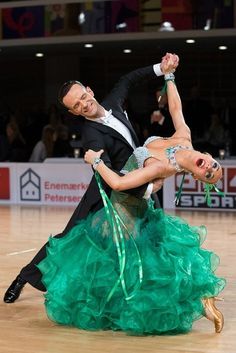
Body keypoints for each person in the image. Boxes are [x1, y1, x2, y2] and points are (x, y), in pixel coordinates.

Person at [37, 62, 225, 335]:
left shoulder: (162, 167)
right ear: (208, 156)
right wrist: (169, 75)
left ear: (197, 176)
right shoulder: (183, 137)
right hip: (135, 206)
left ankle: (188, 302)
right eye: (213, 166)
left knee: (133, 267)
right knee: (137, 263)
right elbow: (175, 108)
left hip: (126, 211)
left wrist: (96, 162)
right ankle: (201, 298)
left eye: (207, 175)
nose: (208, 169)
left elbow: (118, 182)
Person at [3, 53, 178, 303]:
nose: (84, 104)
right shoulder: (91, 135)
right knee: (70, 237)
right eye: (77, 105)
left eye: (83, 97)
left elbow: (128, 80)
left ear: (89, 90)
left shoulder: (113, 103)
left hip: (139, 180)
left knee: (154, 230)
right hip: (108, 190)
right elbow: (111, 178)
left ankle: (160, 285)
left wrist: (161, 69)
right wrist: (147, 188)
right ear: (73, 112)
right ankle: (24, 277)